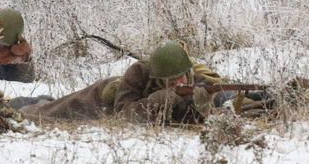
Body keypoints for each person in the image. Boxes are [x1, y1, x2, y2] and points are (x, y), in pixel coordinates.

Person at [28, 41, 215, 124]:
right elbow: (123, 115)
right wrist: (160, 99)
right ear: (159, 77)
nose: (179, 82)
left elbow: (197, 121)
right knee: (45, 114)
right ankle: (23, 105)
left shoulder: (197, 81)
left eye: (181, 77)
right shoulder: (139, 72)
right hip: (100, 100)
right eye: (171, 80)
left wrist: (203, 104)